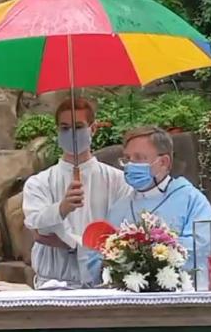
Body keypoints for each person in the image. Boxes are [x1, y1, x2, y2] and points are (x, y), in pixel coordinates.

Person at [22, 98, 132, 289]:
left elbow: (122, 232)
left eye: (78, 127)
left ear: (93, 128)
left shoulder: (117, 181)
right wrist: (61, 209)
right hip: (54, 283)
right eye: (65, 128)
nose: (71, 134)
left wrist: (71, 243)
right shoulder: (39, 183)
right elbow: (37, 229)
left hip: (104, 283)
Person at [87, 126, 211, 283]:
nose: (130, 165)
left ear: (163, 162)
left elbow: (204, 248)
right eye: (127, 159)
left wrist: (149, 249)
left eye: (139, 158)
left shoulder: (191, 200)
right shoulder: (120, 207)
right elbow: (97, 258)